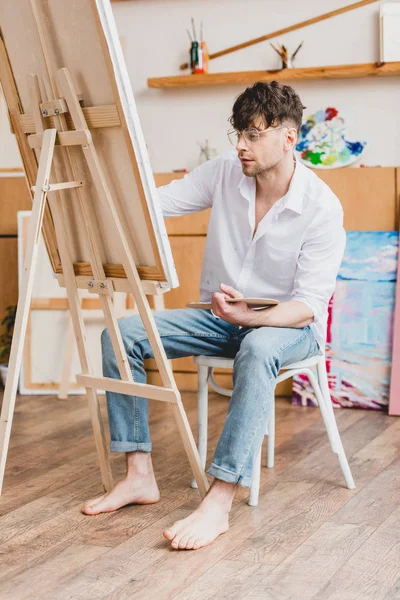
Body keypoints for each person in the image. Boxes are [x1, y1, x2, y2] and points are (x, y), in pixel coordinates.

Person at [82, 81, 346, 551]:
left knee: (260, 347)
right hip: (220, 318)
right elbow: (156, 204)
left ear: (288, 139)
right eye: (238, 133)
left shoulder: (322, 207)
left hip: (288, 327)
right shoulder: (225, 172)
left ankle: (220, 500)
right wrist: (106, 178)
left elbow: (309, 303)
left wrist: (253, 317)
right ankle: (138, 474)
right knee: (123, 335)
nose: (241, 145)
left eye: (253, 134)